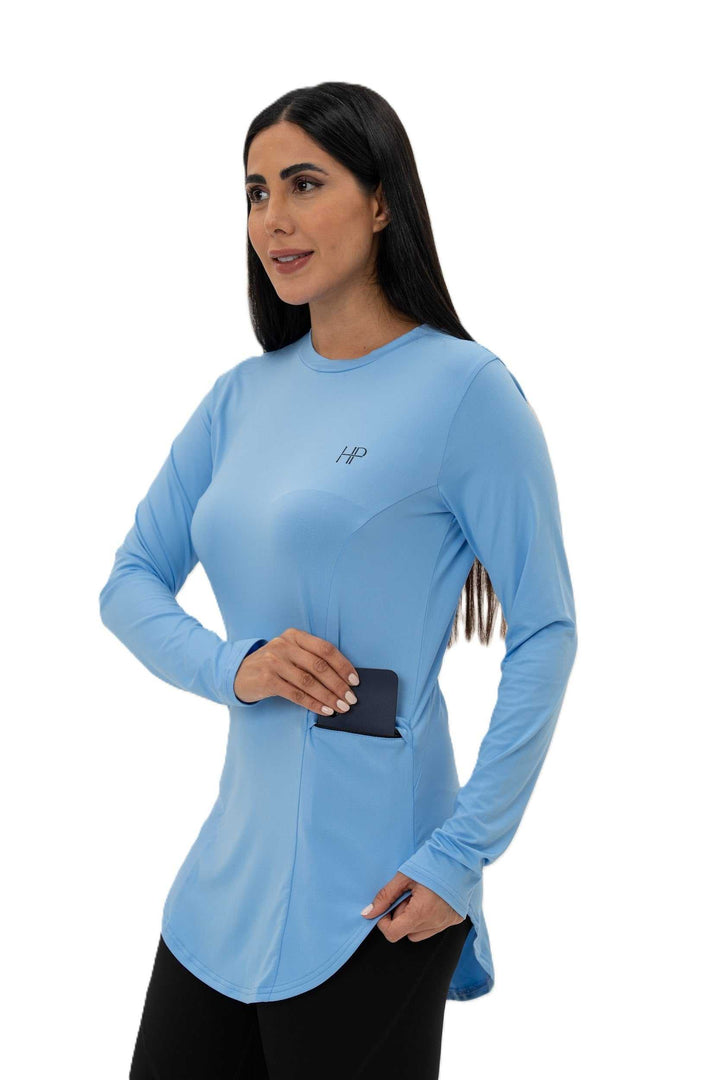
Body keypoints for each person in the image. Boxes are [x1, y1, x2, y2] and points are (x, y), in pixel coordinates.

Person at [99, 81, 578, 1079]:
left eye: (305, 184)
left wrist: (461, 858)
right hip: (222, 890)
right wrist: (235, 666)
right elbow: (131, 581)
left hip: (380, 893)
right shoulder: (239, 397)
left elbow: (546, 632)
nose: (273, 217)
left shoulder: (466, 391)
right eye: (256, 191)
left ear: (381, 200)